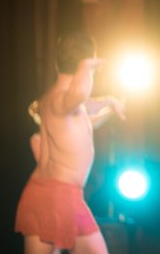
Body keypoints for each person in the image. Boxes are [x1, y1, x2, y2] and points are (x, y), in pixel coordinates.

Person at [15, 32, 126, 254]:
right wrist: (88, 65)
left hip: (47, 193)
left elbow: (85, 113)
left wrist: (110, 105)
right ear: (82, 63)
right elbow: (79, 95)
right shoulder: (61, 98)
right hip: (58, 195)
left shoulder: (57, 99)